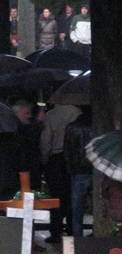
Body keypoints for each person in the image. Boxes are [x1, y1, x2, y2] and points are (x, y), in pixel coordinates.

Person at [41, 104, 81, 242]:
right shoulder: (77, 112)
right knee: (72, 196)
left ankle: (56, 231)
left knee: (56, 196)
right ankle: (72, 229)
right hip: (74, 158)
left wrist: (45, 159)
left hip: (56, 159)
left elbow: (46, 139)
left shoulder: (52, 115)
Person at [64, 110, 93, 237]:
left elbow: (67, 151)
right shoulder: (96, 126)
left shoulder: (71, 128)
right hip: (94, 170)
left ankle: (77, 236)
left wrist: (70, 169)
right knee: (98, 203)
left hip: (77, 171)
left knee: (77, 208)